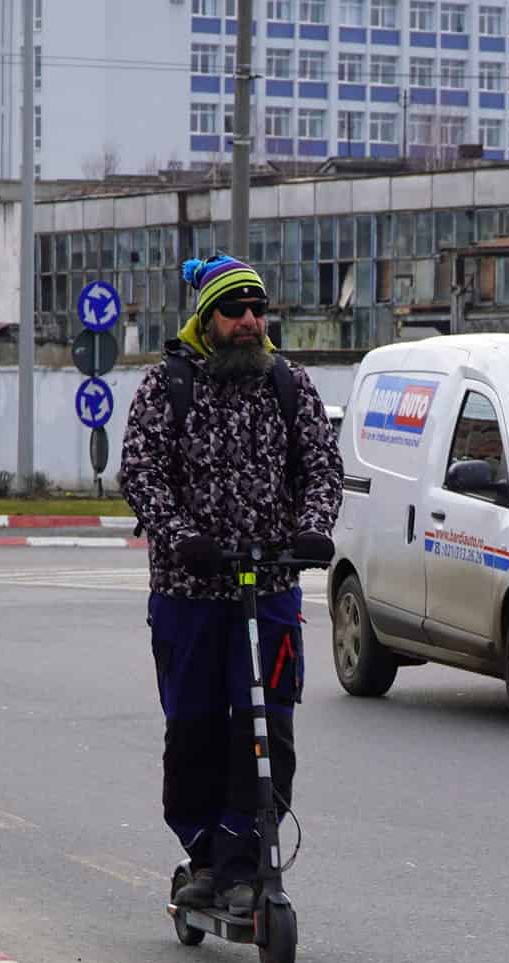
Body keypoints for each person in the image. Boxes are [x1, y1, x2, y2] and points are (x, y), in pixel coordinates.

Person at [119, 253, 344, 915]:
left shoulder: (288, 384)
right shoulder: (168, 387)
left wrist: (313, 528)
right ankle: (202, 855)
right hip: (189, 592)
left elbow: (322, 469)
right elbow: (141, 474)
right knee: (194, 731)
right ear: (207, 318)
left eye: (257, 310)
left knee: (266, 728)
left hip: (269, 588)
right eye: (233, 311)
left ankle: (246, 861)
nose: (248, 322)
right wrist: (180, 534)